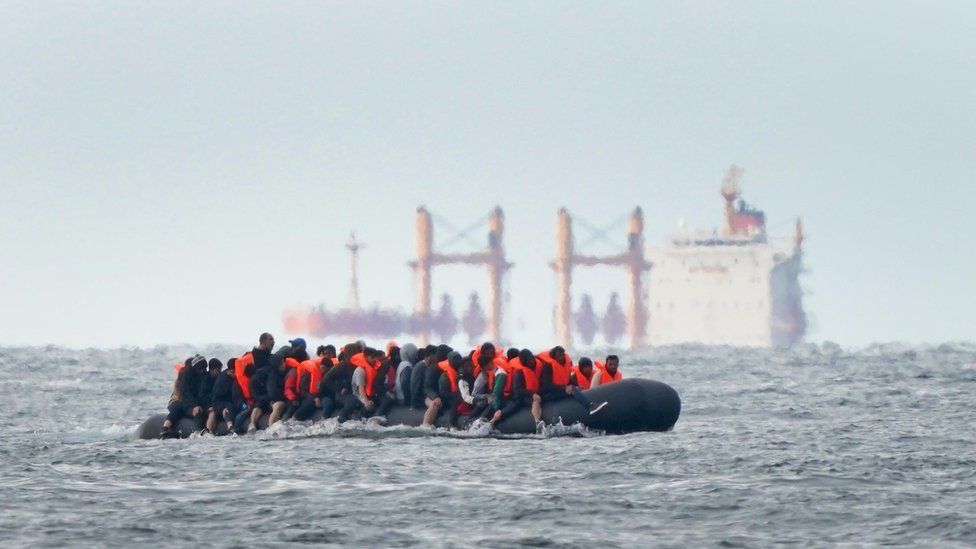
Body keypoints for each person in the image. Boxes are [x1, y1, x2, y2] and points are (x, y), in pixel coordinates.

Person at [536, 346, 606, 416]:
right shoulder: (548, 366)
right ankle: (590, 406)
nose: (562, 357)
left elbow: (567, 379)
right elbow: (546, 385)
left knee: (576, 388)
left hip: (560, 390)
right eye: (559, 356)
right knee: (572, 389)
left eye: (563, 355)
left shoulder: (567, 362)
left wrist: (576, 387)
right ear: (554, 358)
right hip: (548, 394)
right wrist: (564, 388)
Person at [159, 355, 207, 438]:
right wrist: (194, 405)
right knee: (177, 409)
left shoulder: (198, 377)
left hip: (187, 403)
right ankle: (165, 428)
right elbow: (184, 393)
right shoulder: (183, 379)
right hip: (178, 401)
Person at [421, 345, 452, 427]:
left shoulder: (449, 368)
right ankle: (426, 424)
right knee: (435, 404)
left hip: (444, 396)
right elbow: (427, 387)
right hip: (430, 396)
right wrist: (436, 397)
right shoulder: (432, 368)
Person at [207, 357, 239, 434]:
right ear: (231, 371)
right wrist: (221, 407)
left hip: (230, 402)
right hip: (219, 402)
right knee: (226, 408)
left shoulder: (234, 378)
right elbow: (217, 398)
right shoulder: (221, 380)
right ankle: (229, 425)